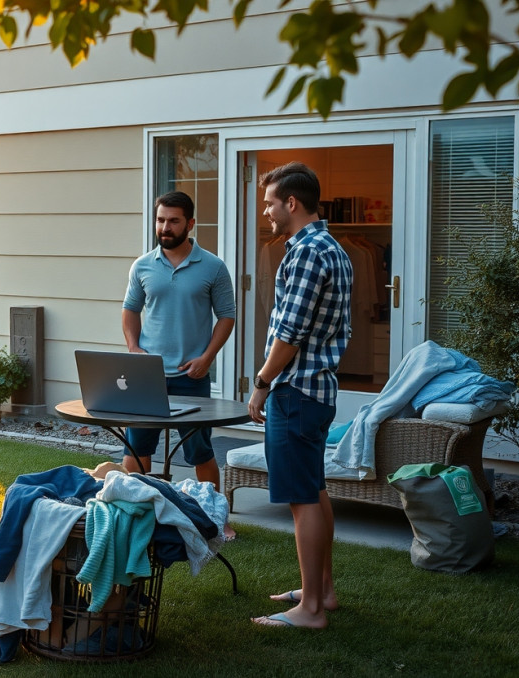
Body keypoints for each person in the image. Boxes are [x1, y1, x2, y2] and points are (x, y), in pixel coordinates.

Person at [248, 162, 353, 629]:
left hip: (296, 390)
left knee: (302, 500)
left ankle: (309, 610)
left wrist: (262, 382)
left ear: (292, 203)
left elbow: (289, 333)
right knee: (314, 489)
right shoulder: (332, 247)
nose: (267, 211)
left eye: (270, 202)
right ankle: (322, 590)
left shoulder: (308, 251)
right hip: (317, 390)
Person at [120, 191, 237, 539]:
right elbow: (130, 310)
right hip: (148, 377)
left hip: (191, 376)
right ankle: (135, 515)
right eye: (160, 220)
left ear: (190, 223)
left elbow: (227, 316)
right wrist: (132, 347)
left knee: (199, 449)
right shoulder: (142, 266)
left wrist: (207, 357)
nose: (165, 227)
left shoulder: (213, 267)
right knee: (137, 447)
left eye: (173, 220)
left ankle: (218, 519)